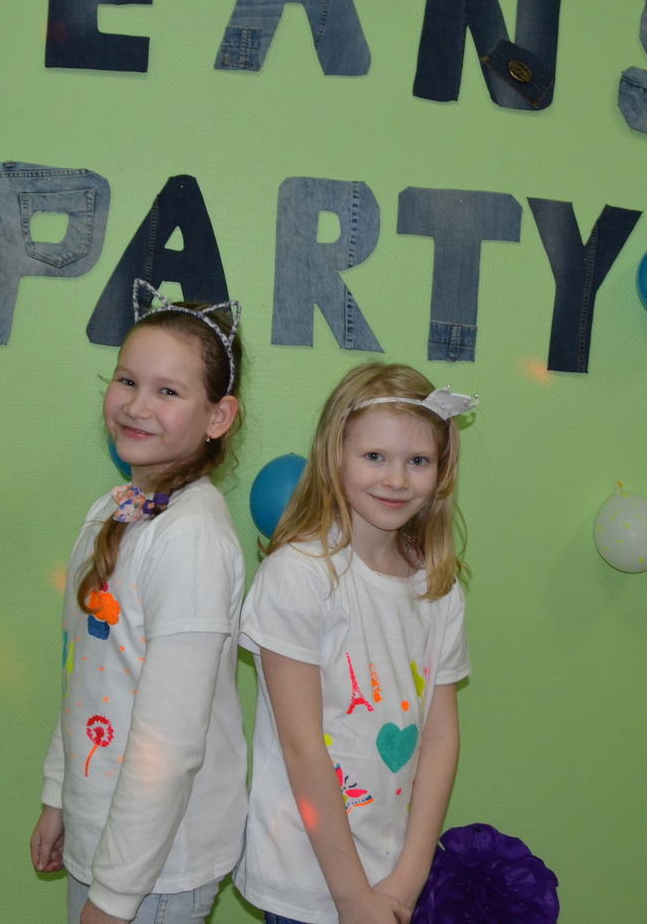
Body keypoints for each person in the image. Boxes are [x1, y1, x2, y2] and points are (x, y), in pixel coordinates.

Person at [31, 281, 248, 924]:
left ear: (218, 417)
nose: (136, 405)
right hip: (104, 838)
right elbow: (85, 678)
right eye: (127, 381)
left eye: (168, 391)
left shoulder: (192, 539)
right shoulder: (114, 509)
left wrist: (116, 897)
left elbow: (169, 742)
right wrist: (59, 795)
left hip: (156, 869)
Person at [236, 363, 475, 924]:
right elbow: (302, 746)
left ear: (441, 470)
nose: (396, 479)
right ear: (334, 457)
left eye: (418, 461)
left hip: (390, 879)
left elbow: (441, 737)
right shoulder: (300, 574)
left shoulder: (438, 588)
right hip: (307, 882)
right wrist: (351, 897)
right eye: (374, 456)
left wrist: (409, 878)